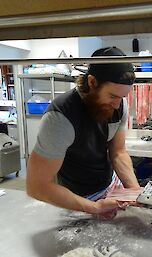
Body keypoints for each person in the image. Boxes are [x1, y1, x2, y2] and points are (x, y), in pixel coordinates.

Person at [27, 46, 140, 218]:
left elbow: (118, 152)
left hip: (109, 186)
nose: (117, 105)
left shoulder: (119, 106)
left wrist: (134, 192)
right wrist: (93, 207)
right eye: (112, 96)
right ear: (92, 82)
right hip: (74, 198)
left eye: (121, 97)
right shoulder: (61, 117)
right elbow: (37, 186)